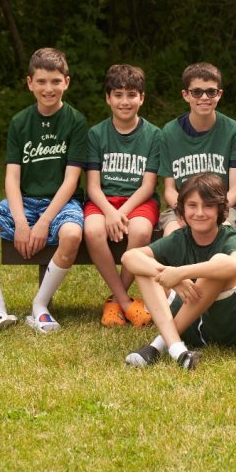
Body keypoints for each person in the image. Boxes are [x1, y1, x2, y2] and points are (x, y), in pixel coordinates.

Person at [0, 47, 88, 334]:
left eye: (56, 81)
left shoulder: (75, 121)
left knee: (71, 234)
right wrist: (21, 222)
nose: (49, 88)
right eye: (41, 81)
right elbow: (12, 176)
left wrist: (44, 222)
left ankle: (40, 306)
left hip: (62, 201)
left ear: (66, 82)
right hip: (24, 201)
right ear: (29, 83)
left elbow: (71, 181)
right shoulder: (20, 122)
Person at [122, 173, 236, 370]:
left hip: (229, 327)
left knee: (218, 264)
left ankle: (157, 346)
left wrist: (181, 273)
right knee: (144, 268)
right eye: (192, 205)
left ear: (221, 209)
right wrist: (174, 278)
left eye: (208, 206)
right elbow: (130, 257)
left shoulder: (231, 237)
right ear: (182, 210)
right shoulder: (180, 238)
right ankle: (178, 350)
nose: (200, 212)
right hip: (190, 330)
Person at [84, 64, 162, 327]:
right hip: (103, 201)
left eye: (131, 94)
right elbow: (93, 186)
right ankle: (125, 302)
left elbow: (148, 186)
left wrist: (122, 213)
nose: (125, 101)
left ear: (142, 98)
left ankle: (114, 301)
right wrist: (109, 211)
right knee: (93, 231)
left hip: (138, 201)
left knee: (140, 231)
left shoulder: (154, 135)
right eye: (118, 94)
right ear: (108, 98)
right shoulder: (96, 134)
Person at [158, 62, 236, 233]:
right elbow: (169, 189)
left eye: (211, 91)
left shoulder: (234, 130)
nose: (204, 97)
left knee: (224, 233)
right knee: (173, 234)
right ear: (185, 95)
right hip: (181, 208)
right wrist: (186, 212)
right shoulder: (169, 132)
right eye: (197, 92)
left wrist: (214, 211)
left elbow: (235, 189)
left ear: (219, 94)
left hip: (224, 206)